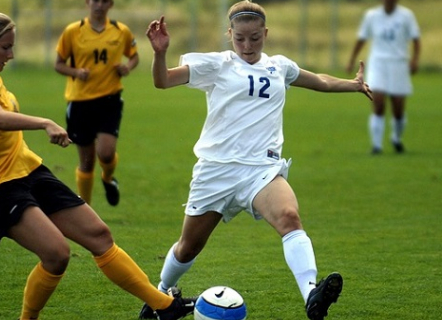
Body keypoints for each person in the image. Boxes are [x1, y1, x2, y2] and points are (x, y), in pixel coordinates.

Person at [0, 10, 195, 320]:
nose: (12, 54)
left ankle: (163, 307)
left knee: (99, 235)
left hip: (28, 170)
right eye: (5, 47)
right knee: (56, 255)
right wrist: (44, 122)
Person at [141, 1, 373, 320]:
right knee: (188, 247)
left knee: (289, 216)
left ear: (265, 33)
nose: (247, 46)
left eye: (254, 38)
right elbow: (162, 80)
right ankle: (157, 296)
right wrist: (159, 52)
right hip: (216, 171)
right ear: (230, 34)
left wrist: (354, 85)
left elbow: (318, 80)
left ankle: (311, 294)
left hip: (261, 171)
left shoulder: (280, 66)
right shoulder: (217, 64)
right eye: (240, 39)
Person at [54, 0, 139, 206]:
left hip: (109, 100)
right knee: (87, 161)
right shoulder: (73, 31)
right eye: (95, 1)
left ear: (110, 4)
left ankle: (108, 178)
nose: (99, 5)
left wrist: (127, 67)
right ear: (87, 3)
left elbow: (134, 57)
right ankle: (86, 209)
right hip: (80, 102)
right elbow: (58, 64)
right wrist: (76, 72)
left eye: (104, 1)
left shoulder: (120, 31)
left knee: (106, 153)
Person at [346, 0, 420, 154]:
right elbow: (362, 38)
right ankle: (377, 146)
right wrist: (352, 59)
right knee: (378, 103)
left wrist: (414, 60)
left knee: (398, 108)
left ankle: (396, 138)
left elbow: (416, 39)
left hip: (399, 64)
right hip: (378, 64)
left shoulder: (406, 16)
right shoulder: (372, 15)